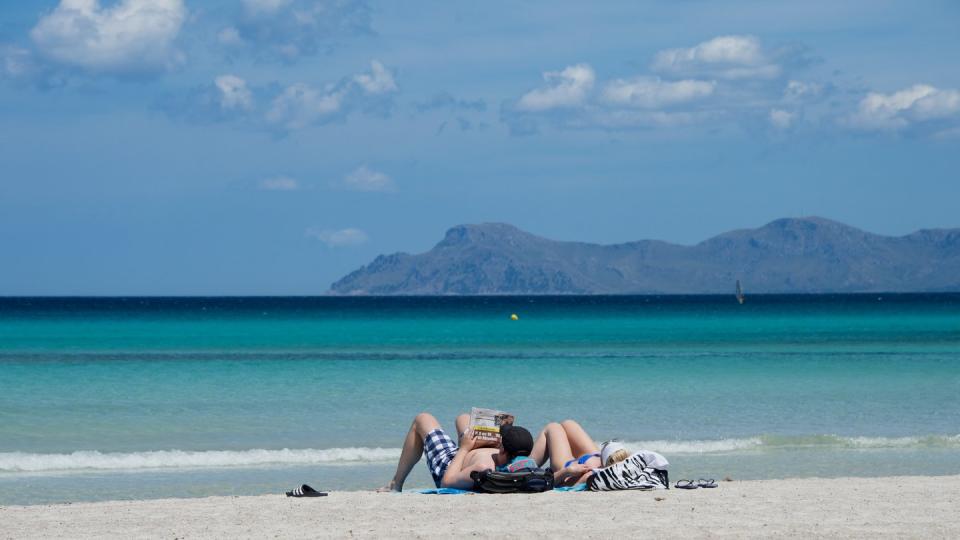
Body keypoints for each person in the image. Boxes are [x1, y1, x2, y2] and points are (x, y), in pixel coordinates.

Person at [377, 412, 536, 492]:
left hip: (450, 463)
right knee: (463, 417)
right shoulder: (516, 465)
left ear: (502, 449)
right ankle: (467, 437)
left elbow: (447, 482)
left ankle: (396, 484)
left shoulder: (482, 467)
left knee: (422, 419)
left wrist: (465, 448)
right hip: (470, 455)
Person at [530, 420, 630, 486]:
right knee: (569, 424)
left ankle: (526, 464)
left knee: (552, 427)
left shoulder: (590, 475)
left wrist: (566, 471)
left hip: (567, 465)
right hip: (592, 457)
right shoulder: (628, 463)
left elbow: (558, 483)